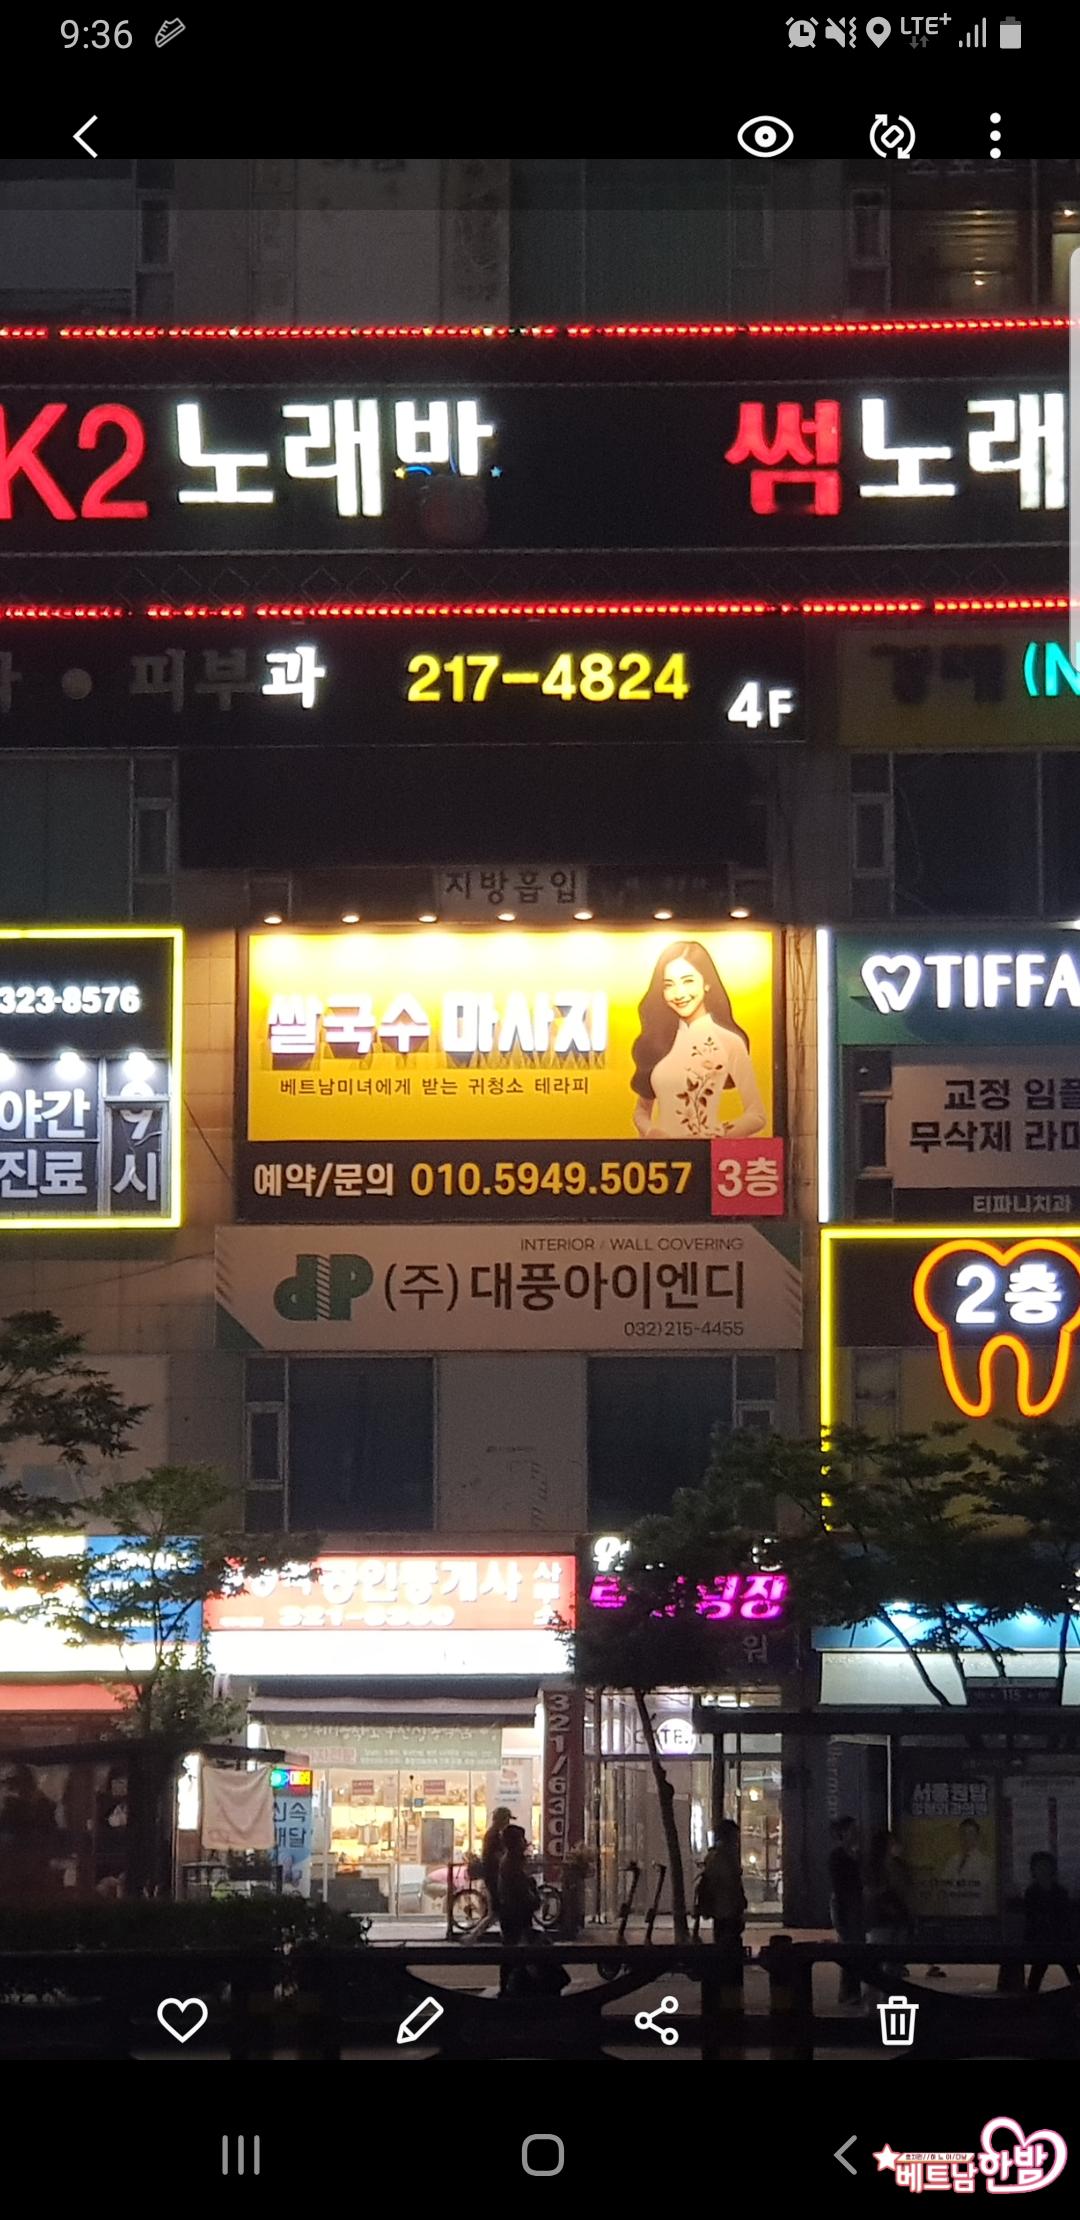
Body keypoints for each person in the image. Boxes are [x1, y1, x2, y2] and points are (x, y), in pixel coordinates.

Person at [630, 939, 767, 1142]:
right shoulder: (658, 1041)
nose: (679, 993)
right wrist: (651, 1131)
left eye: (688, 981)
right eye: (669, 985)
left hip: (708, 1153)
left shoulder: (729, 1042)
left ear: (706, 983)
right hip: (661, 1155)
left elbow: (757, 1115)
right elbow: (641, 1110)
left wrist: (719, 1134)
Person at [0, 1762, 60, 1903]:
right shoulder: (9, 1813)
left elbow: (48, 1842)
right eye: (4, 1783)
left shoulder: (41, 1811)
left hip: (30, 1882)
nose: (8, 1789)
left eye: (13, 1783)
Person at [1023, 1852, 1080, 1994]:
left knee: (1068, 1968)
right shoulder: (1032, 1892)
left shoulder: (1060, 1892)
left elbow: (1064, 1917)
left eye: (1045, 1866)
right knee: (1038, 1970)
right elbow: (1031, 1918)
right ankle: (1031, 1998)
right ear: (1034, 1870)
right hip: (1041, 1939)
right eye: (1039, 1866)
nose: (1043, 1870)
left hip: (1059, 1938)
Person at [496, 1822, 541, 1994]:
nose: (525, 1842)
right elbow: (521, 1892)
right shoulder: (511, 1865)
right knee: (515, 1953)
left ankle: (510, 1987)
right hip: (516, 1915)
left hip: (512, 1914)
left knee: (514, 1953)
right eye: (522, 1839)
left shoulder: (510, 1862)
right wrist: (533, 1894)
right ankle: (510, 1989)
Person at [865, 1829, 912, 1980]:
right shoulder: (874, 1868)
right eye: (891, 1843)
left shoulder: (900, 1866)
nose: (896, 1846)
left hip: (900, 1916)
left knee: (896, 1959)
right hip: (880, 1919)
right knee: (878, 1957)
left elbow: (906, 1888)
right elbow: (871, 1892)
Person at [828, 1815, 865, 2006]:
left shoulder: (854, 1854)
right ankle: (849, 1991)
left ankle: (852, 1990)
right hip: (846, 1904)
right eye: (853, 1829)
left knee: (855, 1947)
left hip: (853, 1904)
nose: (857, 1833)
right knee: (851, 1947)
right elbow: (840, 1886)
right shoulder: (838, 1856)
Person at [697, 1820, 748, 1952]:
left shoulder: (715, 1856)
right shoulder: (724, 1857)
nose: (737, 1841)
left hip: (721, 1910)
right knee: (728, 1946)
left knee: (724, 1942)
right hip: (726, 1910)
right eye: (735, 1837)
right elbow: (730, 1884)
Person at [468, 1804, 511, 1940]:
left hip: (492, 1875)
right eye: (507, 1819)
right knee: (496, 1911)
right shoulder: (494, 1835)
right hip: (493, 1876)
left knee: (498, 1911)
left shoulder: (493, 1834)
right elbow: (496, 1856)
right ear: (500, 1819)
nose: (508, 1822)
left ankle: (505, 1936)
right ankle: (473, 1936)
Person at [940, 1815, 995, 1917]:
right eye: (963, 1833)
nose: (966, 1837)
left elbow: (979, 1889)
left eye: (970, 1833)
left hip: (974, 1915)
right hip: (952, 1915)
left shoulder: (986, 1863)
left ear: (977, 1837)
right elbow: (943, 1884)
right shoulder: (952, 1860)